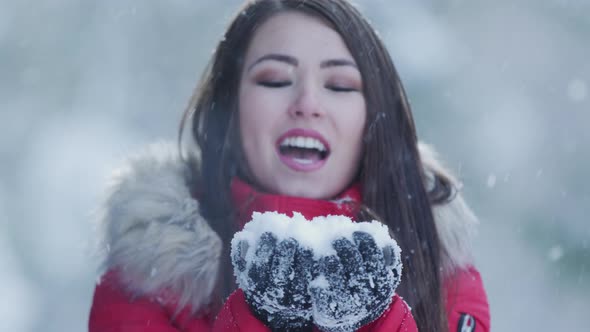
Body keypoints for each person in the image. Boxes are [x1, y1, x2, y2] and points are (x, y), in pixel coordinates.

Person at [88, 0, 490, 331]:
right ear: (228, 108)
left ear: (374, 118)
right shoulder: (148, 276)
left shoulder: (440, 270)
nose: (307, 104)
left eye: (339, 86)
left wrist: (378, 323)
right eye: (276, 80)